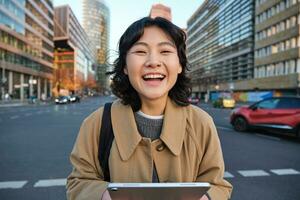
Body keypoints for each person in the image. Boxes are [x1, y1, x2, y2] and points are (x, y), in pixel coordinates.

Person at [66, 17, 232, 200]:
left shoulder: (201, 123)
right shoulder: (96, 123)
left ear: (180, 65)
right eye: (140, 51)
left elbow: (218, 185)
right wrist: (104, 195)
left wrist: (207, 198)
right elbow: (78, 182)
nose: (153, 61)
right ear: (125, 67)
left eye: (165, 51)